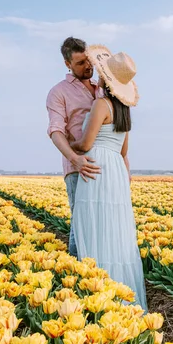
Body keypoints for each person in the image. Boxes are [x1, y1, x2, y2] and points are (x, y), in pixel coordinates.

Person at [69, 44, 147, 310]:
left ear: (105, 78)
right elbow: (123, 150)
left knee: (95, 227)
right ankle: (121, 296)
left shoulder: (101, 104)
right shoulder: (125, 112)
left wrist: (70, 145)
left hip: (97, 165)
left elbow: (86, 143)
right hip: (115, 169)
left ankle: (98, 295)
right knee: (115, 230)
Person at [46, 37, 104, 257]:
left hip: (104, 163)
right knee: (80, 222)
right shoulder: (58, 92)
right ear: (67, 64)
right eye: (80, 63)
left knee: (100, 222)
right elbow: (55, 131)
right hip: (78, 166)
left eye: (88, 60)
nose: (87, 66)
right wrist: (75, 159)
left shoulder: (103, 88)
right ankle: (78, 274)